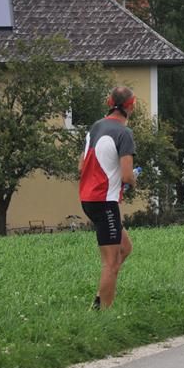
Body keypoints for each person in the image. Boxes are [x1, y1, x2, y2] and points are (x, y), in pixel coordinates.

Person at [79, 86, 139, 310]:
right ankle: (104, 314)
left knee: (125, 248)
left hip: (88, 198)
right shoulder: (124, 133)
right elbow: (126, 176)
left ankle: (99, 299)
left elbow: (81, 165)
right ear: (131, 106)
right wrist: (134, 180)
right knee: (111, 262)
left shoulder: (96, 127)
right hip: (104, 201)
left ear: (109, 103)